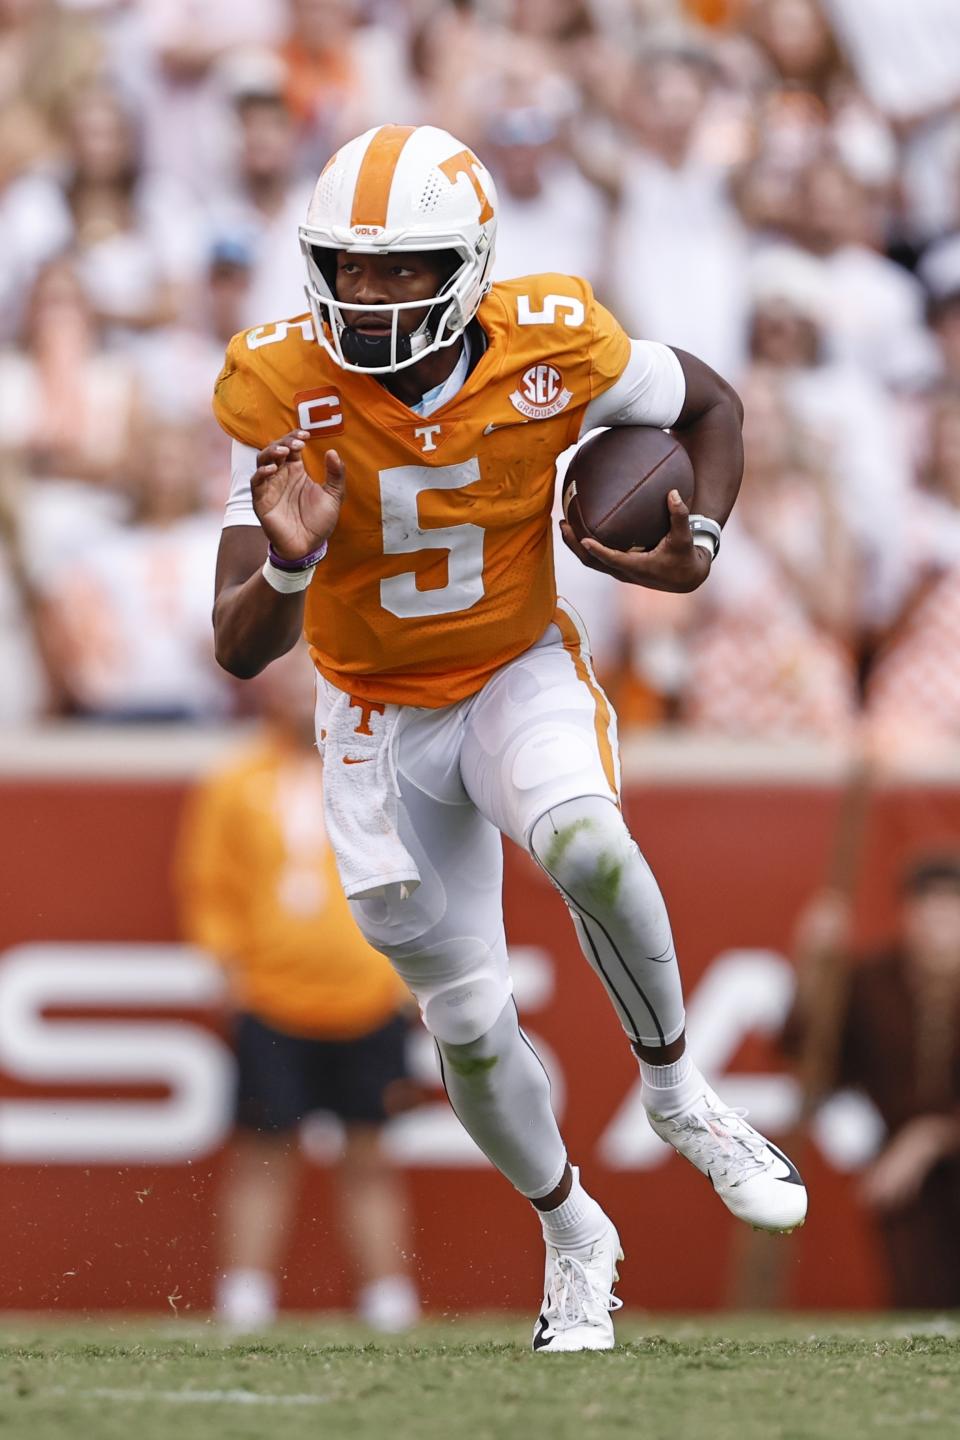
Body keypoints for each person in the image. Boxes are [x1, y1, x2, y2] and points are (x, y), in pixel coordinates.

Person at [210, 122, 807, 1353]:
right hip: (374, 714)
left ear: (470, 264)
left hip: (513, 667)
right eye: (350, 266)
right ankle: (576, 1235)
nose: (369, 296)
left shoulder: (556, 342)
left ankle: (681, 1094)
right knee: (470, 1026)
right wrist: (286, 558)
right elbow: (236, 646)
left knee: (589, 845)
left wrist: (694, 550)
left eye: (401, 268)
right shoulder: (278, 388)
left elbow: (713, 403)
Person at [175, 643, 421, 1332]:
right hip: (272, 997)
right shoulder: (233, 782)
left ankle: (387, 1299)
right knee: (262, 1152)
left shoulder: (378, 776)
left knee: (370, 1153)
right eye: (288, 686)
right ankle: (245, 1298)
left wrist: (408, 978)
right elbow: (209, 887)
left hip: (366, 994)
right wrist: (231, 974)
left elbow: (421, 876)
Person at [786, 856, 960, 1309]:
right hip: (905, 1180)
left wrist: (935, 1136)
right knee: (922, 1300)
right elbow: (814, 1058)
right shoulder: (874, 982)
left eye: (952, 910)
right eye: (929, 909)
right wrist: (814, 969)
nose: (939, 925)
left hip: (925, 1152)